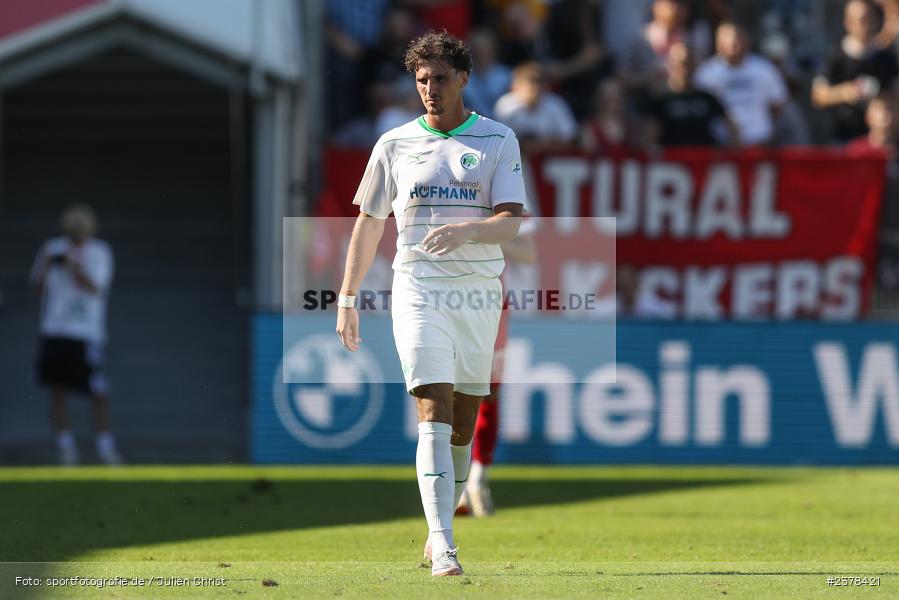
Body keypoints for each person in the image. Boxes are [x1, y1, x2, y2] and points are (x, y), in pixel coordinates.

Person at [336, 31, 526, 577]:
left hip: (477, 293)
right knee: (432, 412)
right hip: (417, 290)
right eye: (421, 80)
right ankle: (444, 544)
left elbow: (512, 220)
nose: (430, 89)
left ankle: (440, 522)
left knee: (463, 426)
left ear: (464, 78)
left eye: (440, 78)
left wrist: (467, 233)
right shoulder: (393, 144)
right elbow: (369, 223)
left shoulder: (497, 139)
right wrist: (347, 296)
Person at [29, 204, 122, 466]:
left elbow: (98, 288)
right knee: (57, 390)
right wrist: (49, 265)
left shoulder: (100, 251)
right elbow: (36, 287)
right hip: (55, 330)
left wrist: (74, 266)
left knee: (98, 392)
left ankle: (105, 447)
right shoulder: (51, 248)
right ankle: (66, 447)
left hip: (87, 332)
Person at [458, 222, 536, 518]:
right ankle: (459, 484)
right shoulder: (435, 181)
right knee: (447, 392)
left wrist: (480, 235)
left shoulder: (504, 185)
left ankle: (476, 478)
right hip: (445, 299)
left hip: (490, 302)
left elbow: (528, 253)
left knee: (488, 393)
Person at [812, 0, 899, 143]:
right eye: (861, 20)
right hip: (843, 137)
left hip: (877, 141)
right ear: (848, 22)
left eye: (869, 18)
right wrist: (846, 92)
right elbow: (818, 96)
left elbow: (894, 93)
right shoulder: (835, 56)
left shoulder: (886, 58)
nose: (865, 25)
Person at [694, 21, 788, 146]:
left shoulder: (764, 69)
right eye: (728, 40)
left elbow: (777, 103)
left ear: (747, 41)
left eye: (738, 39)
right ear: (717, 43)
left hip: (759, 142)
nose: (734, 45)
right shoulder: (706, 73)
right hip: (721, 144)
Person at [646, 42, 739, 147]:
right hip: (672, 159)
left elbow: (731, 127)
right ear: (670, 65)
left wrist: (733, 152)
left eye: (689, 63)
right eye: (681, 63)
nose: (685, 69)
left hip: (704, 158)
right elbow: (651, 137)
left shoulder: (707, 98)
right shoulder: (661, 101)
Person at [494, 61, 578, 153]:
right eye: (530, 83)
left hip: (552, 162)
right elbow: (496, 142)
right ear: (515, 85)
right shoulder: (505, 106)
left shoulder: (556, 104)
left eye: (539, 83)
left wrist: (543, 144)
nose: (535, 88)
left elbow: (571, 139)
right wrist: (523, 145)